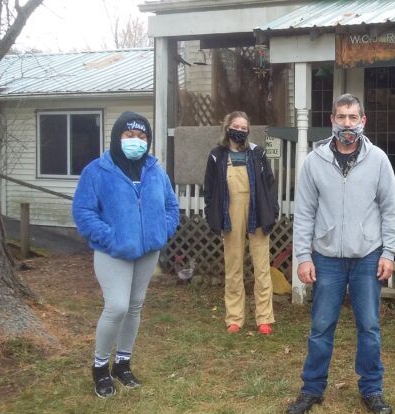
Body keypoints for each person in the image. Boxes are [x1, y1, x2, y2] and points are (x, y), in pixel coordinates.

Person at [286, 94, 395, 414]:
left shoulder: (378, 160)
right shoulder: (314, 162)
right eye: (341, 117)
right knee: (321, 326)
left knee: (369, 326)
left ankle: (372, 390)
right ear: (332, 121)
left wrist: (389, 252)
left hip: (368, 254)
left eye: (353, 117)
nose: (347, 123)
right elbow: (305, 213)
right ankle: (311, 389)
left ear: (363, 121)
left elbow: (391, 209)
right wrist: (303, 258)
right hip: (326, 257)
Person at [72, 111, 179, 398]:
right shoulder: (97, 171)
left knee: (135, 306)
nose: (136, 141)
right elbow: (83, 212)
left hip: (147, 252)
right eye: (129, 135)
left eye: (142, 137)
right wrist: (111, 237)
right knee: (117, 306)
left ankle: (123, 363)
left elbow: (171, 206)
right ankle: (99, 366)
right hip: (114, 252)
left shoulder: (156, 170)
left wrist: (161, 231)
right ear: (117, 137)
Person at [203, 111, 279, 335]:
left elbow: (269, 185)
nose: (240, 130)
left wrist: (271, 211)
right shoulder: (217, 155)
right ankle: (234, 318)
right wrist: (212, 214)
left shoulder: (258, 153)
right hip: (230, 212)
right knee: (233, 267)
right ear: (227, 127)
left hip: (257, 210)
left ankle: (264, 318)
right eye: (236, 126)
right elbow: (209, 188)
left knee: (262, 267)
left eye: (244, 128)